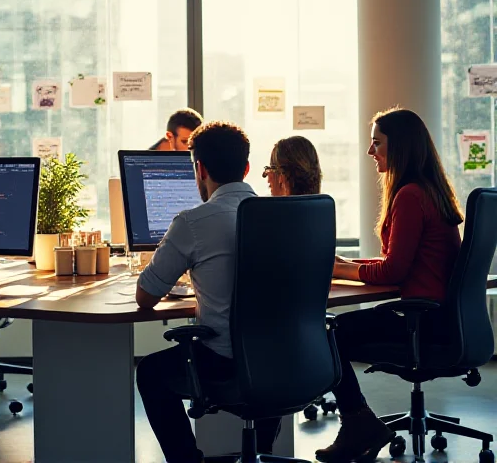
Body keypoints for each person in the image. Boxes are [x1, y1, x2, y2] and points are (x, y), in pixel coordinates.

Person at [316, 108, 464, 463]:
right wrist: (348, 266)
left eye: (376, 143)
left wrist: (336, 272)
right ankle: (359, 423)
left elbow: (395, 272)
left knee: (326, 333)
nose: (370, 152)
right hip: (441, 317)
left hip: (422, 321)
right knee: (335, 329)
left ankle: (358, 424)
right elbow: (401, 262)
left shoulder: (410, 196)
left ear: (399, 147)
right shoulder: (430, 190)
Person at [135, 121, 281, 462]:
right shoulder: (284, 215)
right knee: (265, 353)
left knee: (151, 373)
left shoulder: (194, 221)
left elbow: (146, 296)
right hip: (289, 360)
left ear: (199, 168)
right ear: (246, 168)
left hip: (227, 365)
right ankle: (260, 452)